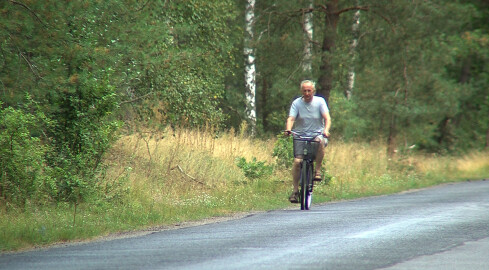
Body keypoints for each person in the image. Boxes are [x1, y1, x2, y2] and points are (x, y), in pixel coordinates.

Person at [284, 80, 331, 203]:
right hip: (300, 135)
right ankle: (295, 191)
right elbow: (291, 118)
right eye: (304, 90)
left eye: (309, 90)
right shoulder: (297, 103)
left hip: (317, 134)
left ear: (313, 91)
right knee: (297, 161)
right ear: (301, 91)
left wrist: (326, 130)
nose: (307, 93)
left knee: (320, 142)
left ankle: (317, 171)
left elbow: (327, 118)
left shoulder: (320, 102)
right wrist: (288, 129)